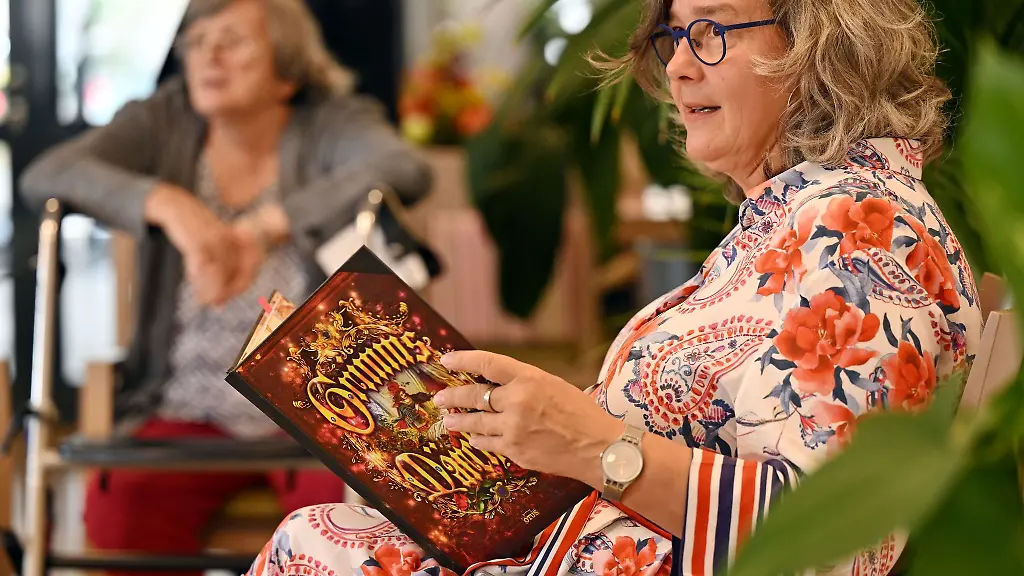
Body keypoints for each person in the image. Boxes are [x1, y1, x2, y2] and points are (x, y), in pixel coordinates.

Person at [246, 0, 982, 575]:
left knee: (315, 544)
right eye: (675, 37)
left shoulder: (858, 230)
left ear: (824, 47)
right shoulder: (802, 216)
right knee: (323, 533)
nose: (679, 67)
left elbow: (836, 534)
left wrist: (592, 443)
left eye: (712, 32)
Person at [18, 0, 432, 572]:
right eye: (197, 41)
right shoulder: (163, 119)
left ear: (286, 71)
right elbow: (45, 174)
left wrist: (270, 225)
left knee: (349, 526)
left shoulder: (331, 122)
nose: (208, 55)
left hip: (317, 408)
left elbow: (405, 166)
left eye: (233, 40)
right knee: (123, 517)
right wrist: (167, 203)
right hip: (185, 405)